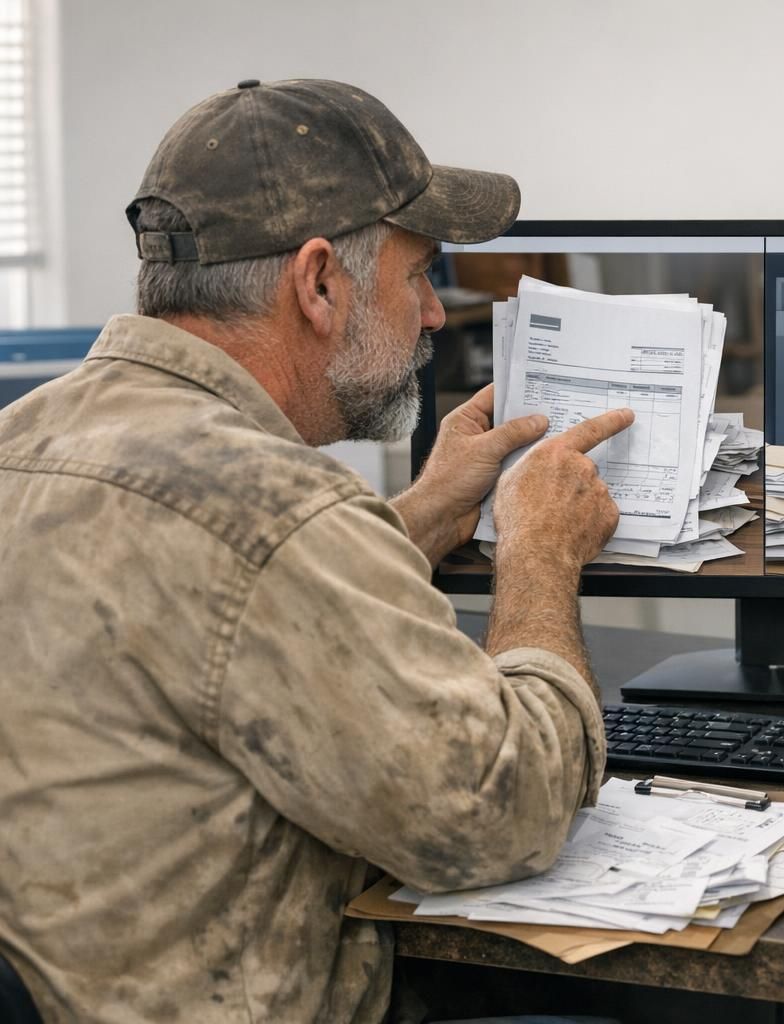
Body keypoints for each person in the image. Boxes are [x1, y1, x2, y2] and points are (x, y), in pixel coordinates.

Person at [0, 79, 632, 1023]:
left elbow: (222, 609)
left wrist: (419, 513)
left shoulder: (27, 439)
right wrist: (538, 555)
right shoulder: (272, 509)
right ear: (319, 282)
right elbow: (505, 811)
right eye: (419, 275)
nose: (430, 315)